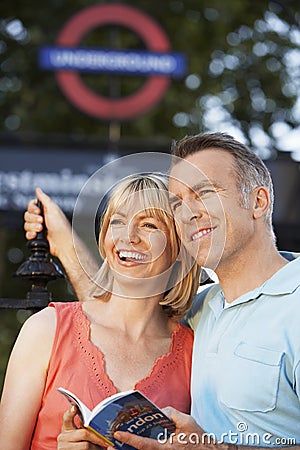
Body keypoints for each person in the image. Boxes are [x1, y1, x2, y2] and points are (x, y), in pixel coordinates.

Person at [22, 133, 300, 449]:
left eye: (205, 193)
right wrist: (66, 246)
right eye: (178, 202)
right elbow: (121, 316)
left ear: (258, 201)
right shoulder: (202, 310)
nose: (189, 213)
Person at [0, 173, 200, 450]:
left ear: (180, 247)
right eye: (117, 222)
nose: (128, 237)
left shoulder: (195, 354)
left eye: (149, 224)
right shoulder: (46, 329)